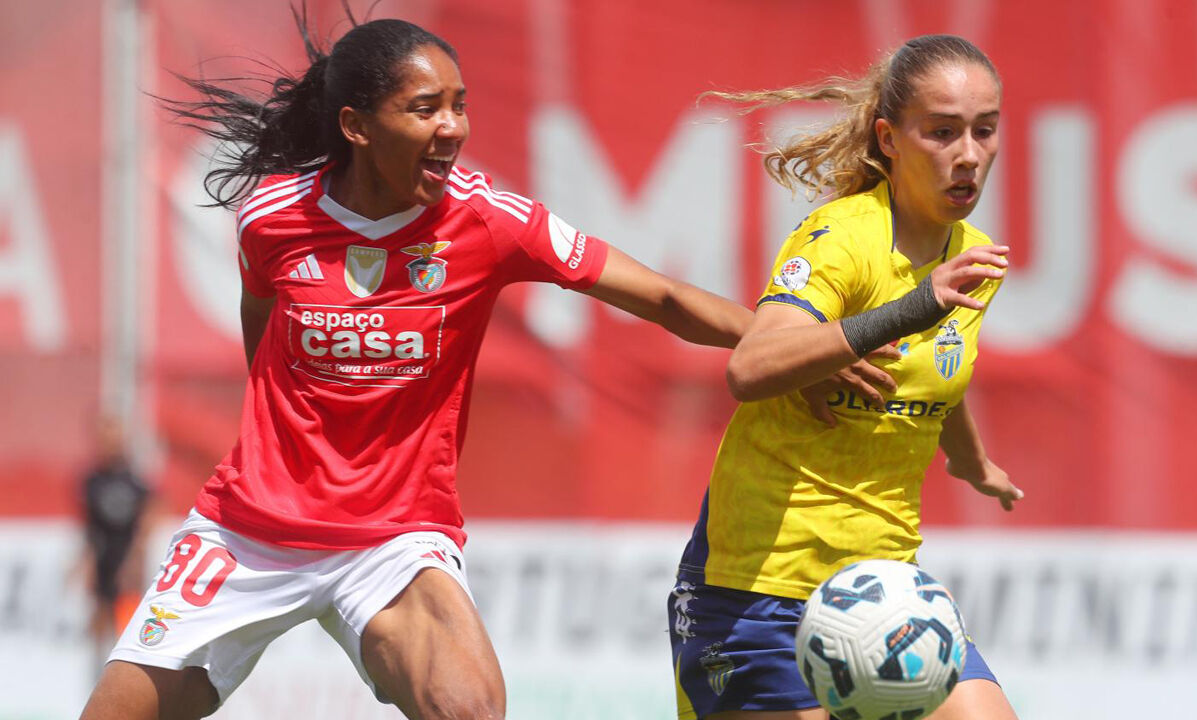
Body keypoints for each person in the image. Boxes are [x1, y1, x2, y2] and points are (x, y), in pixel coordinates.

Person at [78, 13, 765, 720]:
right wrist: (285, 440)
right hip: (249, 532)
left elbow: (663, 295)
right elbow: (264, 330)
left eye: (459, 103)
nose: (453, 128)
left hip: (395, 540)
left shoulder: (490, 219)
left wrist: (777, 341)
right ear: (356, 126)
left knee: (470, 711)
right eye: (425, 107)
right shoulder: (271, 219)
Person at [668, 35, 1024, 720]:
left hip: (886, 592)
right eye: (942, 132)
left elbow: (934, 377)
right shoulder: (840, 238)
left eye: (985, 129)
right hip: (758, 596)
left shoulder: (975, 256)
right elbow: (750, 368)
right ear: (889, 139)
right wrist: (909, 309)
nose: (970, 154)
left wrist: (973, 461)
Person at [77, 415, 153, 673]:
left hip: (127, 563)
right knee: (98, 628)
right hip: (103, 562)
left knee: (128, 629)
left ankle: (127, 677)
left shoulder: (135, 479)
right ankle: (97, 681)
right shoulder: (91, 481)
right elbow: (88, 527)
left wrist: (135, 560)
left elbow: (147, 519)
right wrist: (85, 563)